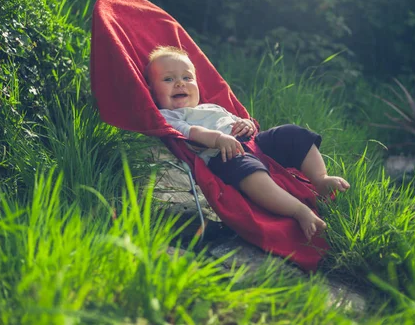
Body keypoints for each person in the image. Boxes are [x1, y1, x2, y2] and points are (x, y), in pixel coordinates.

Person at [145, 46, 350, 240]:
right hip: (223, 155)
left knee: (291, 133)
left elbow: (236, 120)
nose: (180, 83)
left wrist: (246, 124)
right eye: (168, 79)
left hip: (253, 142)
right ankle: (299, 211)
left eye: (187, 78)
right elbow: (190, 132)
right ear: (153, 92)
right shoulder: (169, 115)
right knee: (251, 174)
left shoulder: (211, 107)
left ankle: (320, 178)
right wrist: (218, 139)